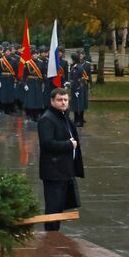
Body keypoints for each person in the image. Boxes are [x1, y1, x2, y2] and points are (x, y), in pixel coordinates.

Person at [37, 86, 83, 232]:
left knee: (59, 207)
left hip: (64, 169)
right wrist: (69, 144)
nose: (63, 103)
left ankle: (54, 233)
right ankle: (50, 236)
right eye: (60, 100)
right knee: (53, 207)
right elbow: (47, 144)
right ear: (52, 101)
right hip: (53, 171)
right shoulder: (47, 119)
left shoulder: (63, 117)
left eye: (65, 100)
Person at [68, 52, 91, 126]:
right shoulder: (77, 66)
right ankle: (77, 119)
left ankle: (79, 120)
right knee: (76, 103)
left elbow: (75, 78)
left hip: (77, 87)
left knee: (78, 104)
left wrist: (74, 86)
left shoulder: (77, 67)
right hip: (78, 87)